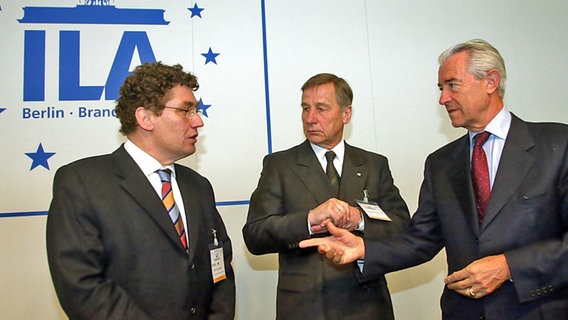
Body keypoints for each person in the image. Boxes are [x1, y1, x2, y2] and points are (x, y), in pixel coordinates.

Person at [300, 39, 568, 319]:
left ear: (490, 81)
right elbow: (421, 240)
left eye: (453, 85)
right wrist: (364, 248)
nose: (443, 99)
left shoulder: (557, 145)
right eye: (441, 88)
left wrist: (509, 267)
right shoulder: (441, 163)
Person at [46, 62, 235, 319]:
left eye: (197, 110)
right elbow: (82, 286)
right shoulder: (82, 182)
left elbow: (220, 268)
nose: (198, 121)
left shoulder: (198, 187)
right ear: (146, 118)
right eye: (185, 111)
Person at [242, 73, 410, 320]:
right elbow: (255, 235)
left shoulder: (374, 165)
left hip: (368, 307)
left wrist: (360, 220)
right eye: (305, 108)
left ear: (346, 114)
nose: (310, 118)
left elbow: (403, 228)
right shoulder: (279, 165)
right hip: (305, 308)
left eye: (321, 109)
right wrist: (308, 221)